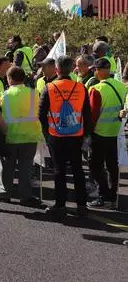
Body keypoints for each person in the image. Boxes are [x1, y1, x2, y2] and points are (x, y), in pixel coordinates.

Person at [38, 56, 92, 218]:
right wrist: (86, 135)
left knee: (59, 170)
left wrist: (47, 134)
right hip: (76, 134)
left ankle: (60, 205)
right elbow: (87, 114)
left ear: (57, 69)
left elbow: (41, 114)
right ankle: (82, 205)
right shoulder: (81, 87)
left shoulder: (50, 87)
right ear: (71, 69)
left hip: (56, 135)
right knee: (78, 170)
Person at [0, 67, 42, 207]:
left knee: (6, 167)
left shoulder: (3, 95)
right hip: (30, 135)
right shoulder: (35, 94)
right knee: (25, 168)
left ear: (9, 79)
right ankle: (25, 196)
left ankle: (4, 193)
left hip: (10, 136)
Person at [87, 58, 127, 208]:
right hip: (116, 133)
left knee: (96, 166)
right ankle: (113, 194)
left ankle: (103, 194)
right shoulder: (121, 86)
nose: (94, 72)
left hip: (99, 134)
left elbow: (93, 115)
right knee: (113, 165)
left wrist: (87, 133)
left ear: (99, 70)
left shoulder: (96, 89)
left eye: (95, 69)